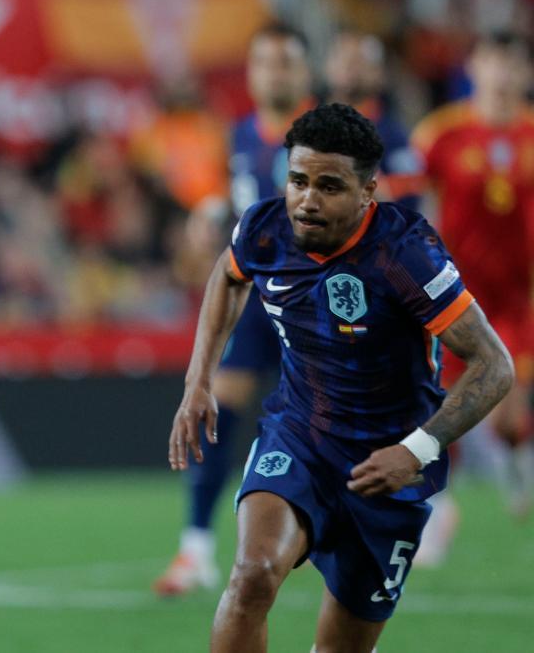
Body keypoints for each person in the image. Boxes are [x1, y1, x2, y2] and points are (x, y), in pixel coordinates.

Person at [168, 102, 513, 652]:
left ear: (368, 191)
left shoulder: (405, 254)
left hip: (388, 467)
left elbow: (495, 364)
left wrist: (417, 450)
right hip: (300, 438)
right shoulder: (266, 227)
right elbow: (229, 276)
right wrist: (198, 379)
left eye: (329, 186)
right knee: (252, 574)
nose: (307, 199)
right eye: (298, 180)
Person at [155, 21, 312, 596]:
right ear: (251, 73)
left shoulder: (322, 133)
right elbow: (235, 197)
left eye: (286, 62)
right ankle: (195, 547)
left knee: (333, 420)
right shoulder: (242, 134)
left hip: (317, 305)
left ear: (304, 71)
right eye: (265, 63)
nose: (276, 72)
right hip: (256, 298)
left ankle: (347, 538)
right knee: (220, 409)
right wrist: (211, 211)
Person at [410, 30, 534, 564]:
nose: (503, 74)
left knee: (508, 411)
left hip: (520, 296)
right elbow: (412, 202)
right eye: (494, 62)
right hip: (457, 294)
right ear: (475, 68)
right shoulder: (441, 134)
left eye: (513, 64)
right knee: (440, 404)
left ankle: (515, 458)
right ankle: (438, 507)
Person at [323, 29, 422, 210]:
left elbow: (408, 201)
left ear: (379, 73)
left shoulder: (394, 138)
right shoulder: (308, 128)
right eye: (343, 58)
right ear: (328, 66)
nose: (349, 67)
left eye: (359, 61)